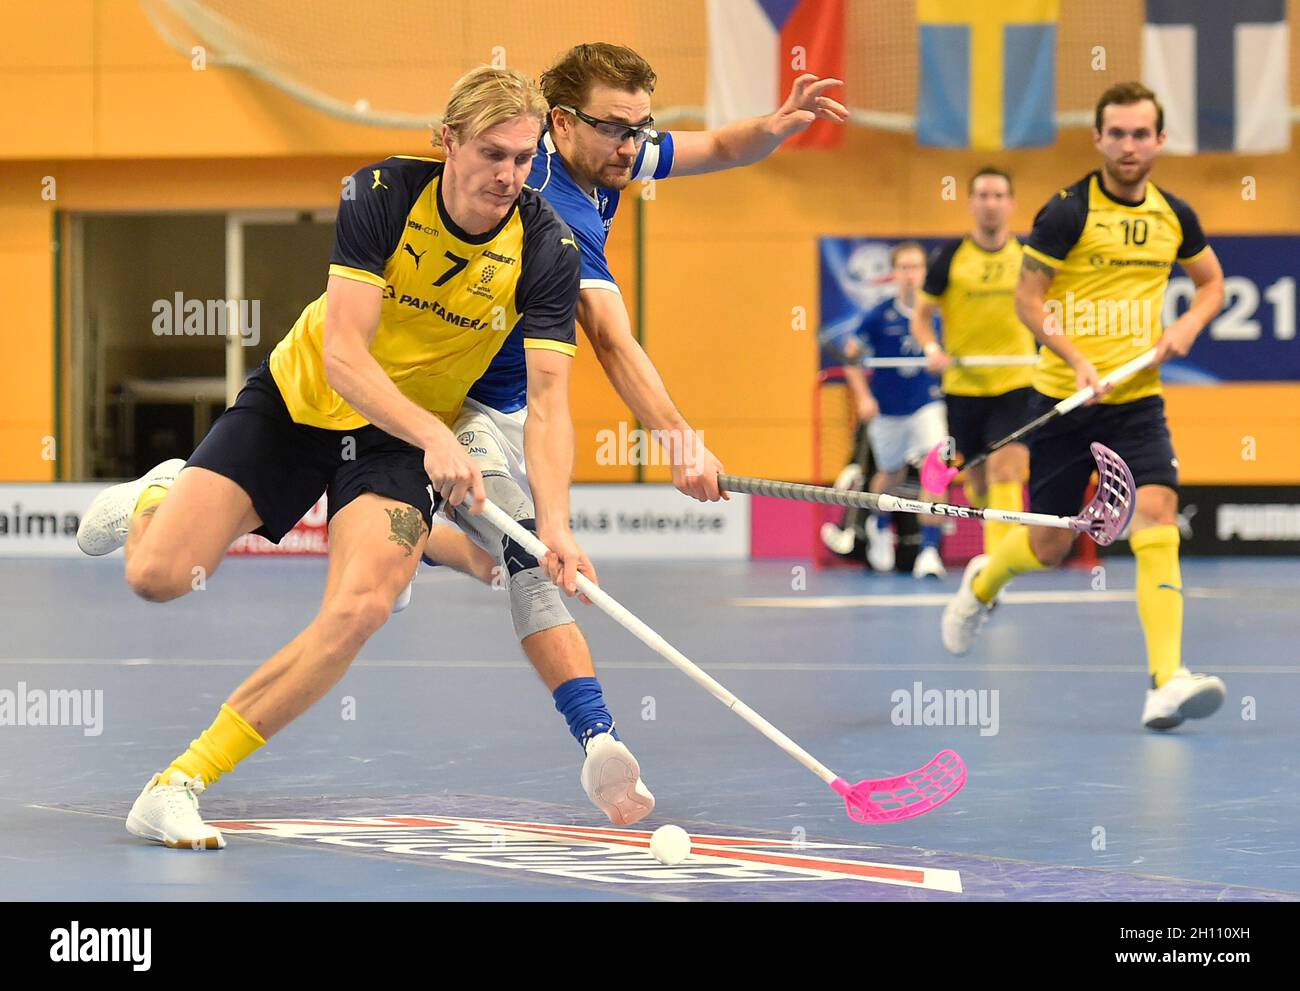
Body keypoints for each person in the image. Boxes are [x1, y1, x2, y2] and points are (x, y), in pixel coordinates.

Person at [75, 67, 589, 849]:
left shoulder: (548, 247)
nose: (509, 175)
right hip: (301, 398)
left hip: (392, 446)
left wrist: (557, 522)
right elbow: (346, 354)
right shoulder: (379, 194)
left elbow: (550, 402)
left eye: (524, 157)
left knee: (360, 608)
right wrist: (438, 435)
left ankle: (178, 782)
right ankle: (158, 496)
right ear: (446, 140)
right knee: (155, 579)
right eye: (492, 153)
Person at [406, 43, 847, 824]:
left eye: (644, 130)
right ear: (563, 123)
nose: (634, 148)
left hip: (510, 405)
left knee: (490, 553)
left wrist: (776, 127)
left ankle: (426, 535)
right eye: (618, 131)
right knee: (532, 551)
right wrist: (680, 440)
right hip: (449, 405)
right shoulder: (550, 199)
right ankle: (598, 740)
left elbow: (712, 147)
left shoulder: (607, 156)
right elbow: (610, 339)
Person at [941, 82, 1227, 732]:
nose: (1129, 145)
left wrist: (1187, 327)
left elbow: (1212, 283)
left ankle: (1165, 682)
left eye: (1141, 133)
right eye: (1117, 134)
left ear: (1159, 139)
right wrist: (1075, 358)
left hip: (1136, 402)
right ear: (1098, 139)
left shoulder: (1175, 215)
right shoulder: (1067, 212)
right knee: (1051, 542)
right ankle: (985, 581)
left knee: (1155, 510)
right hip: (1066, 398)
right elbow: (1028, 300)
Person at [911, 167, 1037, 555]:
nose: (991, 204)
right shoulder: (949, 257)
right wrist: (933, 349)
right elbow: (921, 316)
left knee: (1007, 469)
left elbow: (1049, 309)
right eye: (983, 195)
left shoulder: (1030, 257)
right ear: (971, 203)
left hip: (1017, 381)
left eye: (999, 196)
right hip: (963, 387)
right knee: (980, 482)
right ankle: (997, 545)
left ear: (1011, 204)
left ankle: (1000, 564)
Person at [834, 241, 948, 579]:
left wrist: (944, 367)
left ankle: (929, 552)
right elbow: (851, 355)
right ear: (894, 274)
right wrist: (863, 397)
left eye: (917, 267)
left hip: (927, 405)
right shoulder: (879, 315)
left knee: (934, 468)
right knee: (891, 474)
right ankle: (879, 527)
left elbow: (952, 356)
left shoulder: (938, 315)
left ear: (925, 272)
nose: (911, 275)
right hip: (887, 410)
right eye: (904, 268)